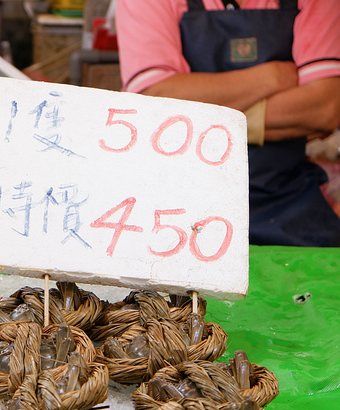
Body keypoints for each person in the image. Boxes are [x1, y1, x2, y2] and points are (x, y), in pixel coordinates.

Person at [116, 0, 340, 246]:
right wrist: (272, 76)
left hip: (289, 204)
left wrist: (196, 104)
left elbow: (326, 107)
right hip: (175, 212)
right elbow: (155, 102)